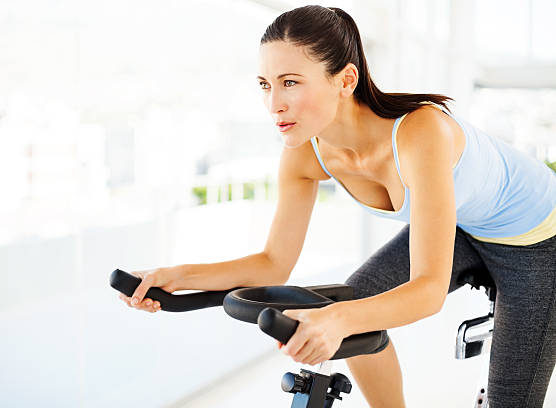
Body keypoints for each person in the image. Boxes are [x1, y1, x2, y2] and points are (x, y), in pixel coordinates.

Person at [118, 5, 556, 407]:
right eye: (265, 85)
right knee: (359, 307)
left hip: (540, 240)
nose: (274, 104)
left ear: (346, 80)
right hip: (466, 224)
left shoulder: (421, 133)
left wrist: (338, 319)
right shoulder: (305, 153)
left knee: (509, 400)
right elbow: (273, 264)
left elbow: (426, 291)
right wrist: (173, 277)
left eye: (290, 82)